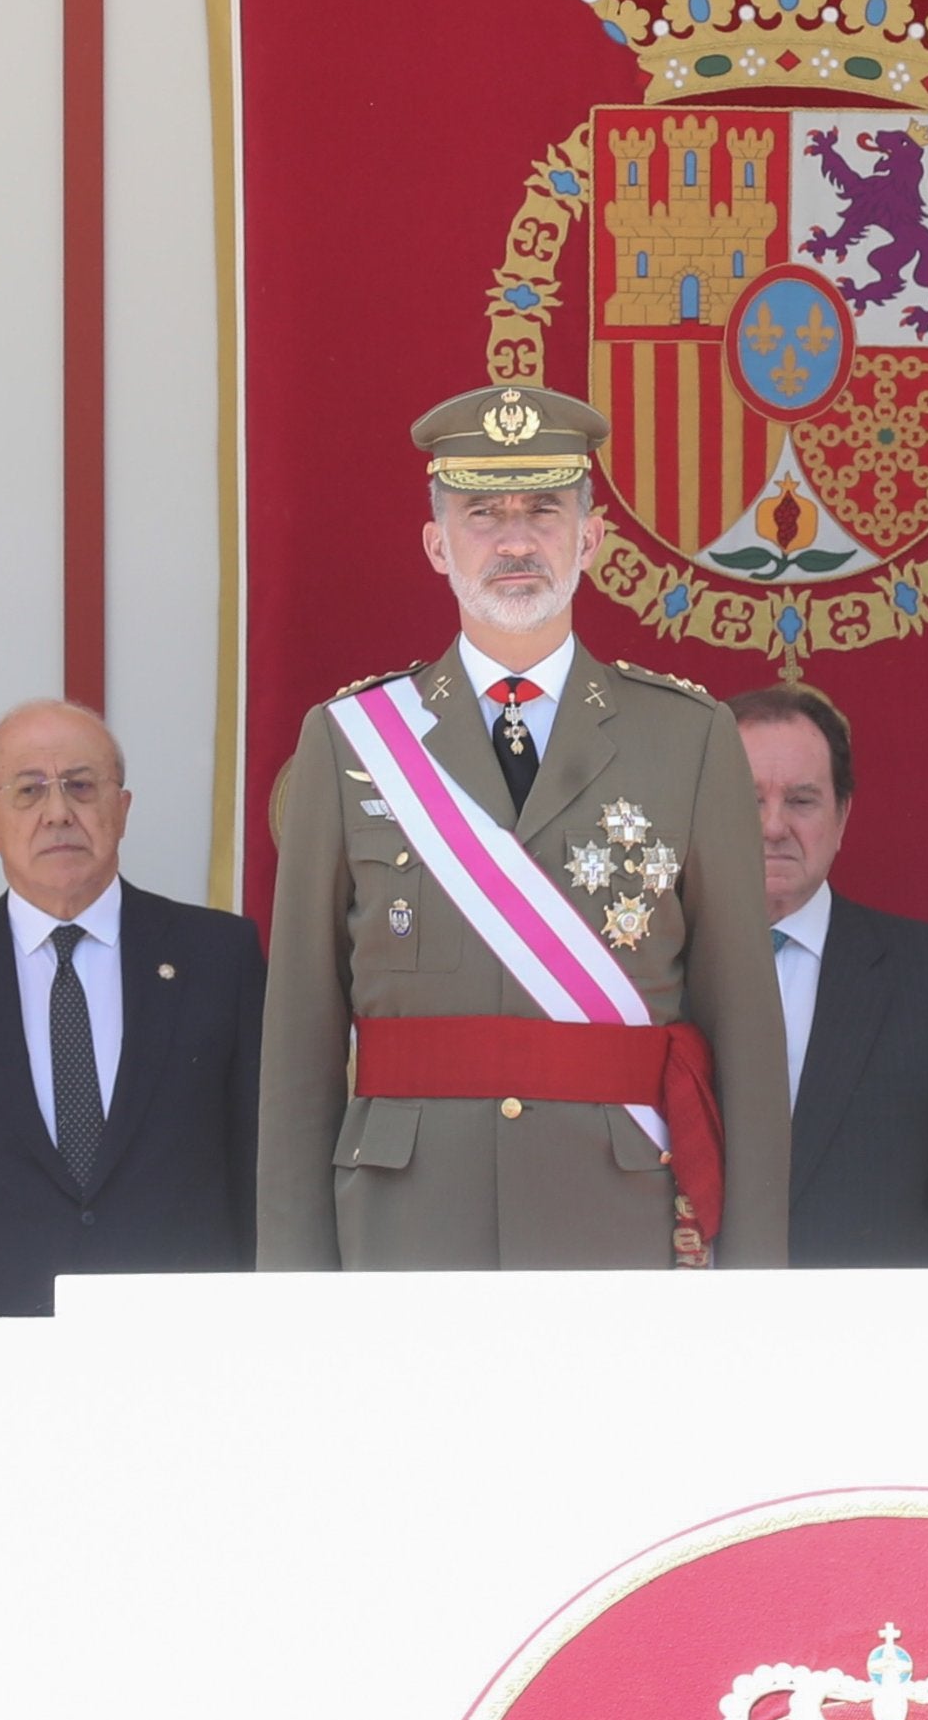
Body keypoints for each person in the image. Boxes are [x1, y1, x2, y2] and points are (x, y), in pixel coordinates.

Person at [258, 382, 790, 1269]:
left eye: (543, 510)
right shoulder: (347, 742)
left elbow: (745, 1033)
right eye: (480, 513)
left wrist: (755, 1277)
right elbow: (301, 1045)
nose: (513, 540)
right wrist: (296, 1284)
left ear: (590, 538)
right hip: (403, 1228)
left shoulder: (689, 738)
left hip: (613, 1222)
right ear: (436, 544)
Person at [0, 700, 265, 1309]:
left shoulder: (220, 959)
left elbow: (262, 1174)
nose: (57, 813)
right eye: (27, 791)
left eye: (80, 786)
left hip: (181, 1346)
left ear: (121, 810)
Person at [730, 683, 928, 1268]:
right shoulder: (645, 973)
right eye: (746, 800)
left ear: (842, 816)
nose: (773, 827)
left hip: (875, 1343)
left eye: (801, 801)